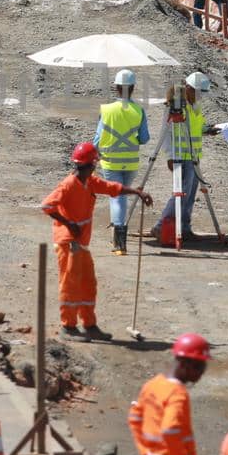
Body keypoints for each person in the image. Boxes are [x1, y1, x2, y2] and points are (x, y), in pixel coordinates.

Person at [41, 142, 152, 340]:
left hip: (80, 243)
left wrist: (137, 192)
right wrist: (68, 223)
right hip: (68, 243)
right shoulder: (68, 185)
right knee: (70, 285)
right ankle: (69, 327)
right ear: (92, 164)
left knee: (88, 284)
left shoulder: (89, 182)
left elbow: (112, 188)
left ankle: (89, 325)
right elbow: (47, 206)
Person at [153, 72, 216, 241]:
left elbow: (196, 128)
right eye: (198, 92)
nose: (200, 96)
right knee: (181, 193)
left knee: (191, 193)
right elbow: (164, 133)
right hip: (180, 155)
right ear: (188, 88)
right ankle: (161, 225)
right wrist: (170, 156)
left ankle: (185, 227)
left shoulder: (195, 106)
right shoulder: (176, 105)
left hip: (193, 156)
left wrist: (209, 129)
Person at [95, 68, 149, 256]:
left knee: (116, 198)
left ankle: (119, 243)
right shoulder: (139, 111)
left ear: (116, 87)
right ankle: (118, 237)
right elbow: (144, 138)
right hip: (131, 162)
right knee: (122, 197)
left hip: (111, 162)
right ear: (133, 88)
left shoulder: (107, 110)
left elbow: (97, 139)